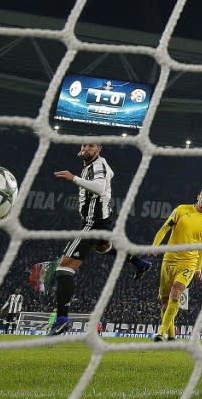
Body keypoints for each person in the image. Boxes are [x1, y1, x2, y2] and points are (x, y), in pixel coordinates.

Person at [47, 142, 151, 336]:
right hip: (98, 220)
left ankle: (61, 319)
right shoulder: (91, 165)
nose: (86, 149)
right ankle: (139, 262)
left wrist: (73, 178)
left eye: (91, 146)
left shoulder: (98, 165)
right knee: (103, 248)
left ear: (99, 149)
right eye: (84, 145)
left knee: (64, 268)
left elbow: (101, 187)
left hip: (93, 223)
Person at [150, 185, 202, 342]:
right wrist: (155, 245)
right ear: (198, 196)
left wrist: (198, 268)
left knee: (176, 292)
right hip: (169, 260)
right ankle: (171, 335)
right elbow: (165, 228)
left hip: (189, 262)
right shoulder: (181, 210)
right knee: (165, 302)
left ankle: (160, 332)